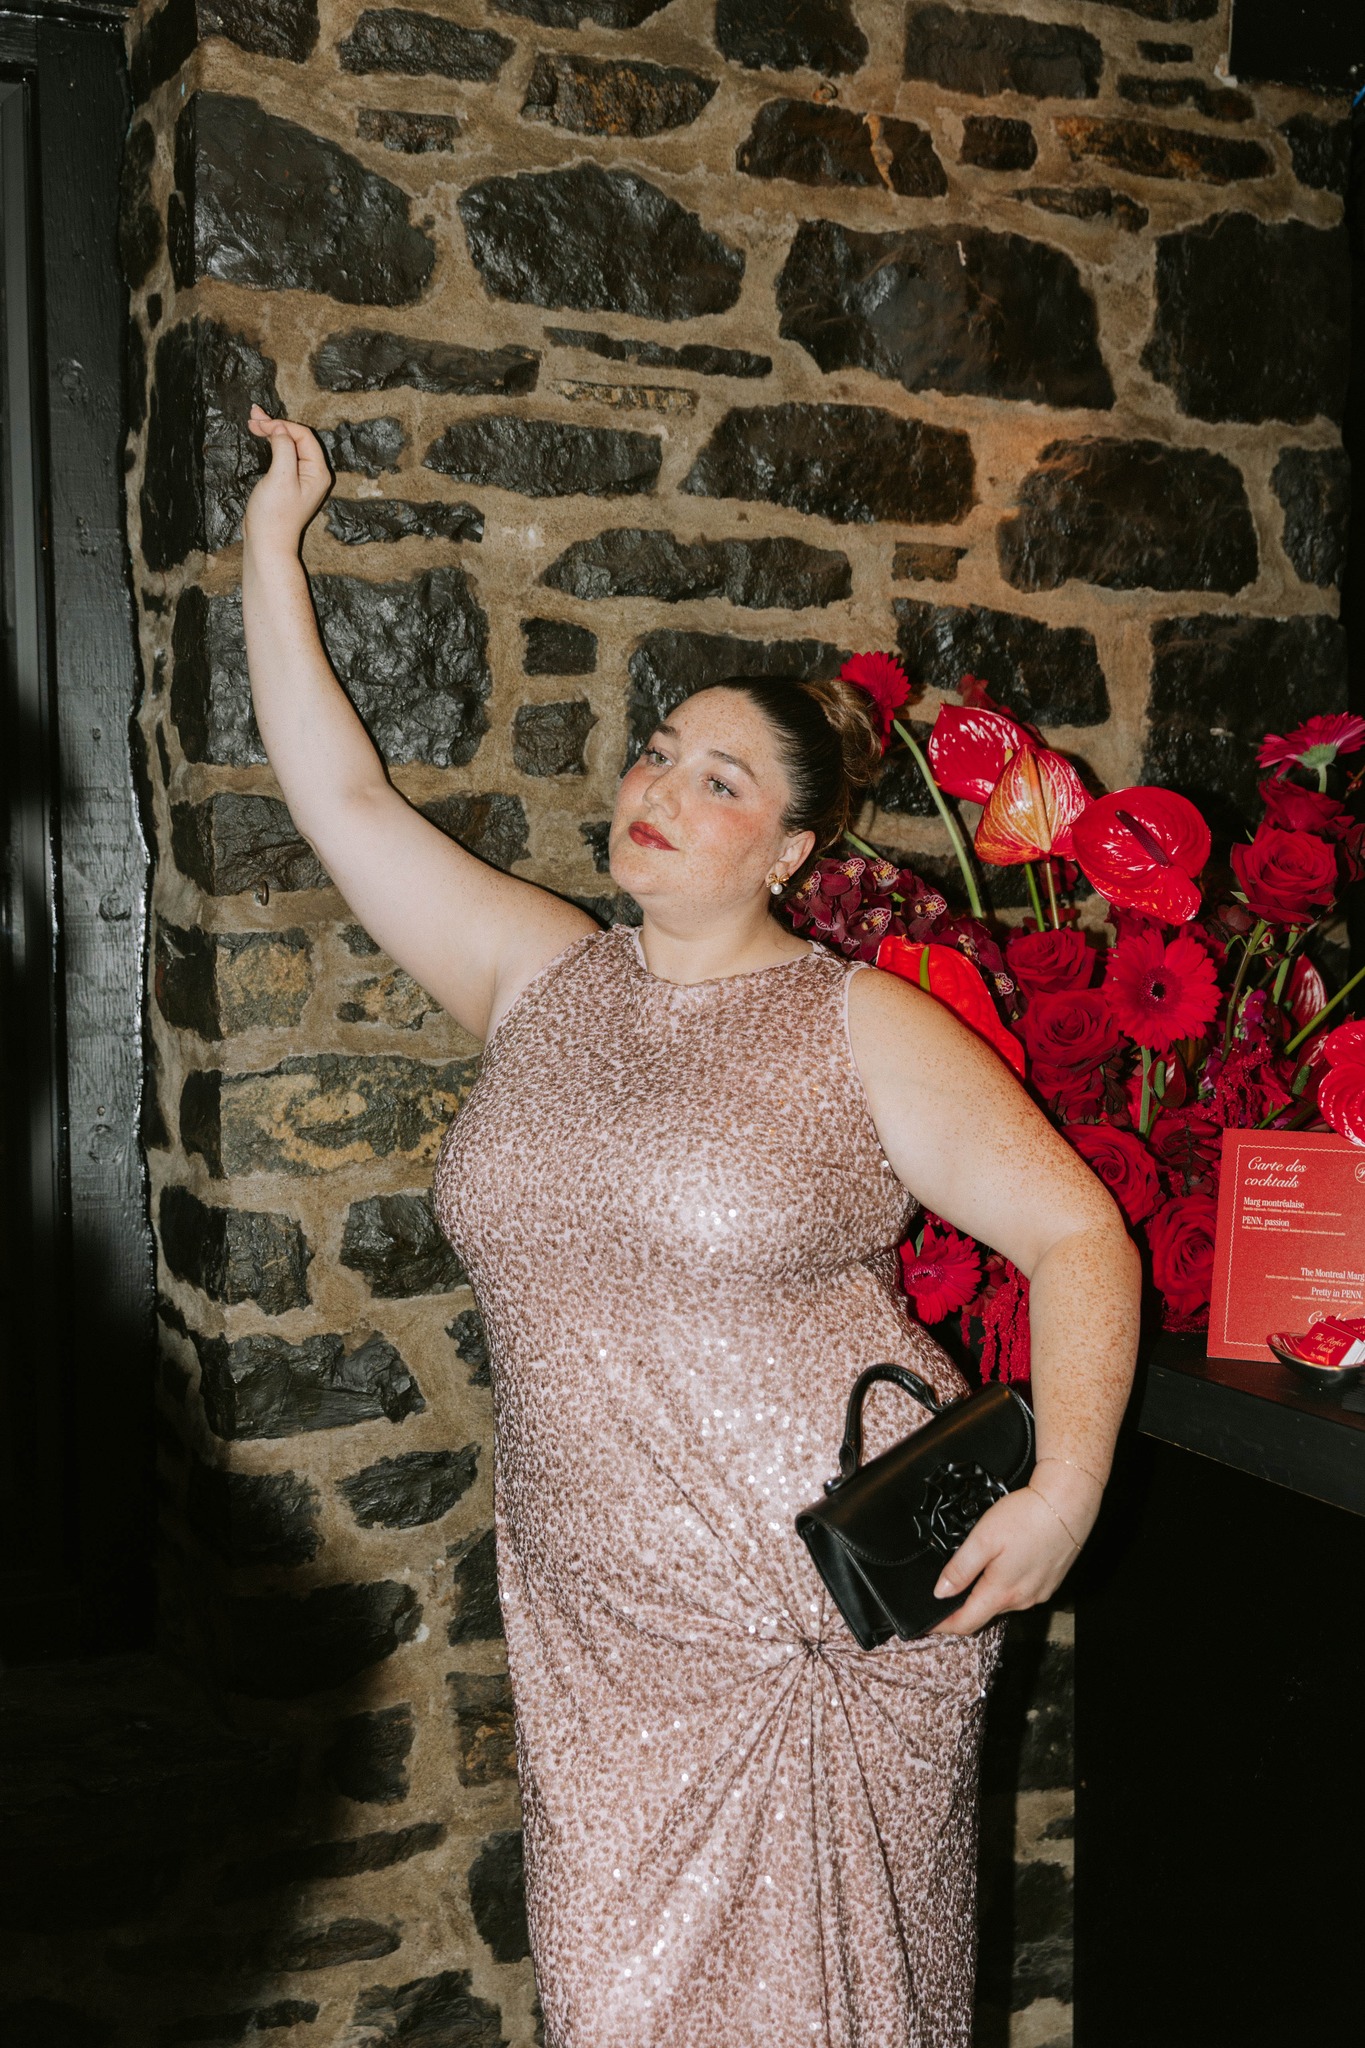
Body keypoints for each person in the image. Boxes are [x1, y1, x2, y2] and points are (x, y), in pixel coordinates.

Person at [241, 409, 1140, 2048]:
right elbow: (343, 796)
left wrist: (1065, 1491)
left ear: (791, 850)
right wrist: (270, 543)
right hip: (598, 1630)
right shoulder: (535, 976)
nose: (658, 786)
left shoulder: (858, 1025)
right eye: (656, 751)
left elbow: (1080, 1237)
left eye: (718, 780)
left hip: (811, 1618)